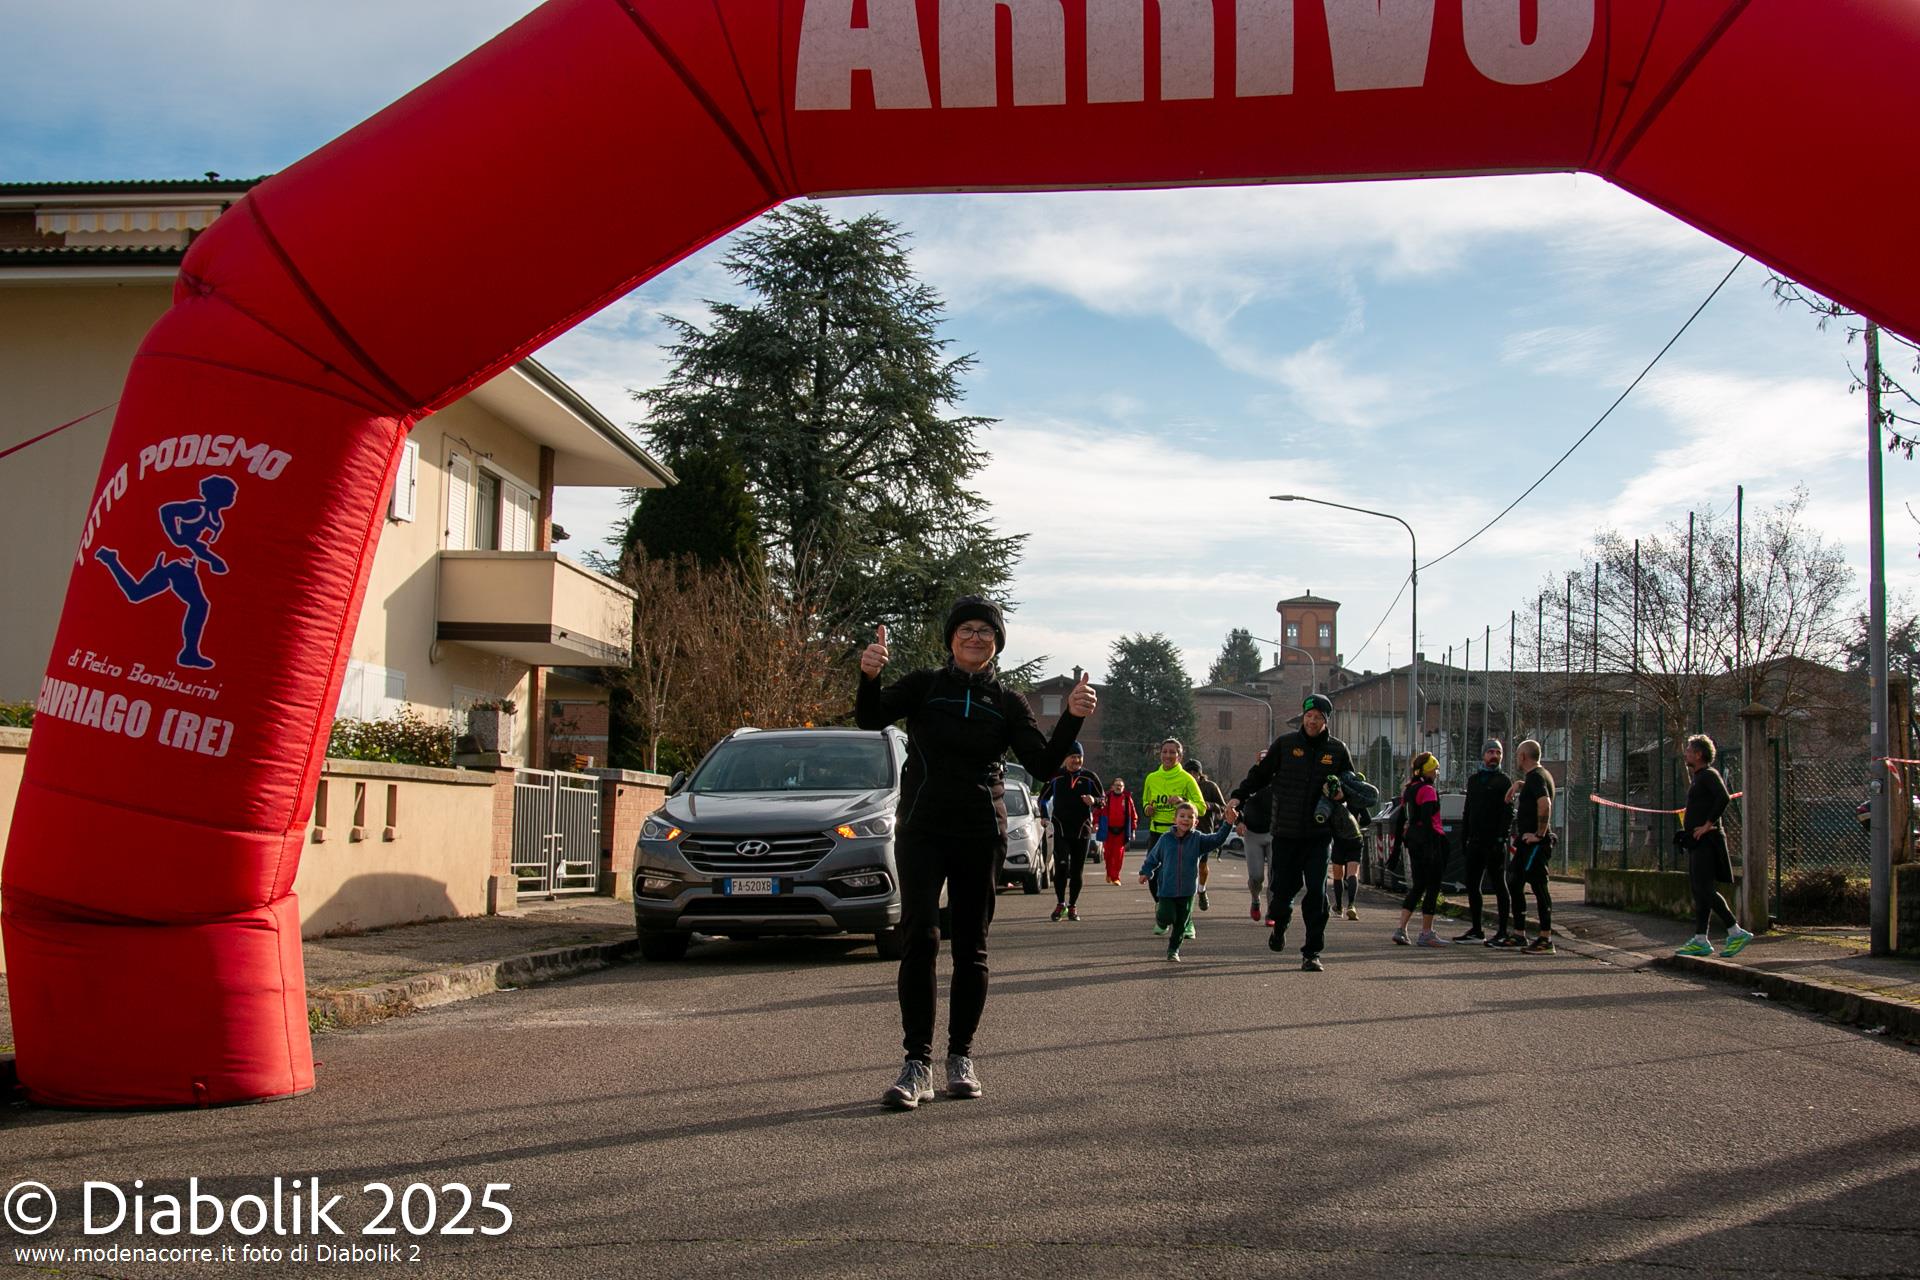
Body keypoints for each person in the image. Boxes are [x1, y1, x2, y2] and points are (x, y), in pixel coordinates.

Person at [857, 598, 1096, 1110]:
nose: (975, 638)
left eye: (986, 632)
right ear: (951, 638)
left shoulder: (1008, 702)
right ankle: (916, 1064)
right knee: (920, 938)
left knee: (971, 947)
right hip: (922, 828)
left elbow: (1041, 765)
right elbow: (868, 717)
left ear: (997, 644)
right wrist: (870, 676)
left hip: (980, 832)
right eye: (965, 629)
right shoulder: (924, 685)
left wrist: (1072, 720)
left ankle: (960, 1057)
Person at [1229, 693, 1356, 972]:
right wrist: (1237, 798)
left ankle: (1312, 952)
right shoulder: (1285, 745)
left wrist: (1342, 795)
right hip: (1285, 834)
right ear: (1303, 717)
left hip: (1318, 836)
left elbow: (1352, 786)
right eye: (1308, 716)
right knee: (1281, 894)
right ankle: (1279, 926)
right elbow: (1259, 775)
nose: (1312, 721)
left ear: (1326, 720)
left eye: (1318, 717)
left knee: (1316, 894)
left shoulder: (1337, 750)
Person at [1675, 734, 1756, 958]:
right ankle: (1701, 939)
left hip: (1708, 842)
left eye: (1689, 750)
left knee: (1705, 889)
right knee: (1699, 890)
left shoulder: (1709, 775)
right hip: (1697, 842)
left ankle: (1735, 931)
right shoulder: (1698, 777)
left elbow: (1723, 797)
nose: (1686, 753)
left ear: (1699, 754)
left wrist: (1707, 825)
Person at [1139, 802, 1235, 962]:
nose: (1186, 819)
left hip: (1187, 891)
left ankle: (1173, 950)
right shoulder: (1165, 839)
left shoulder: (1198, 839)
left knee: (1181, 924)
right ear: (1174, 819)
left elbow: (1217, 839)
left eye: (1190, 817)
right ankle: (1161, 919)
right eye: (1182, 816)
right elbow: (1153, 857)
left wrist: (1228, 823)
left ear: (1196, 822)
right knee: (1166, 916)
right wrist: (1146, 872)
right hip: (1167, 889)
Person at [1141, 739, 1208, 936]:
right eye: (1165, 752)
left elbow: (1201, 808)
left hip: (1181, 835)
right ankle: (1163, 913)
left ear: (1180, 756)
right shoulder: (1152, 778)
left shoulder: (1187, 779)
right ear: (1160, 754)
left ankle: (1186, 921)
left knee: (1183, 879)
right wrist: (1147, 808)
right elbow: (1145, 801)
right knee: (1153, 878)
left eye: (1172, 752)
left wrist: (1182, 801)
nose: (1168, 756)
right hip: (1157, 833)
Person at [1501, 739, 1557, 955]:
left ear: (1523, 756)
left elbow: (1545, 803)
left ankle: (1545, 938)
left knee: (1539, 886)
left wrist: (1539, 834)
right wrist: (1519, 784)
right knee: (1515, 882)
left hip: (1535, 844)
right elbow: (1535, 792)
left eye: (1517, 755)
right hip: (1526, 844)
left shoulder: (1537, 777)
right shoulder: (1537, 777)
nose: (1517, 758)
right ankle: (1519, 933)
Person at [1390, 753, 1450, 947]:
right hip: (1430, 842)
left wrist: (1396, 849)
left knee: (1418, 886)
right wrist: (1432, 848)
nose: (1437, 773)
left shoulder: (1408, 791)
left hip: (1413, 841)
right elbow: (1427, 821)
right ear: (1428, 770)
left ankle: (1401, 929)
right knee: (1432, 887)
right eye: (1435, 769)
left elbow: (1401, 820)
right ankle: (1426, 932)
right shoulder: (1428, 791)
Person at [1458, 738, 1514, 944]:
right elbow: (1468, 810)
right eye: (1491, 752)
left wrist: (1501, 839)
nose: (1494, 756)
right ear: (1483, 755)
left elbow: (1508, 813)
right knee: (1472, 884)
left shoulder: (1504, 781)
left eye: (1498, 753)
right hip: (1475, 841)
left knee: (1499, 884)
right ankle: (1476, 929)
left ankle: (1502, 931)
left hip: (1494, 842)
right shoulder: (1474, 781)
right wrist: (1464, 837)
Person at [1041, 744, 1104, 922]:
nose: (1076, 760)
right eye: (1072, 756)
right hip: (1060, 828)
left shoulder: (1090, 777)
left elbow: (1103, 800)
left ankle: (1073, 906)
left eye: (1079, 757)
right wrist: (1044, 816)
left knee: (1077, 871)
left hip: (1082, 829)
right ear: (1065, 758)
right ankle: (1060, 903)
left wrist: (1094, 800)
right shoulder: (1056, 776)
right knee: (1061, 866)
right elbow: (1043, 799)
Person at [1236, 750, 1276, 922]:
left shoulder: (1279, 782)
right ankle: (1255, 899)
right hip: (1253, 833)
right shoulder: (1250, 782)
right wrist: (1239, 821)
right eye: (1262, 761)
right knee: (1256, 876)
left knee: (1275, 876)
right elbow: (1238, 802)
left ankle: (1272, 911)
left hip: (1274, 833)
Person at [1184, 757, 1228, 911]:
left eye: (1195, 772)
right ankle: (1186, 897)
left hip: (1204, 832)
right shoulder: (1182, 785)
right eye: (1188, 772)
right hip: (1185, 832)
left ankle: (1202, 890)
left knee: (1202, 865)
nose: (1192, 775)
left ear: (1200, 773)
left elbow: (1223, 807)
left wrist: (1208, 805)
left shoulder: (1210, 786)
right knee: (1186, 866)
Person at [1096, 778, 1139, 886]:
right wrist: (1096, 823)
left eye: (1120, 785)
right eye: (1116, 785)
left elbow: (1133, 815)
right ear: (1112, 787)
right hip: (1108, 831)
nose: (1118, 787)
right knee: (1108, 854)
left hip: (1121, 831)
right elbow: (1098, 811)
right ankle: (1109, 873)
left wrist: (1133, 830)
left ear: (1123, 788)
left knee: (1118, 855)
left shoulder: (1127, 799)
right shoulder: (1106, 798)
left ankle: (1115, 877)